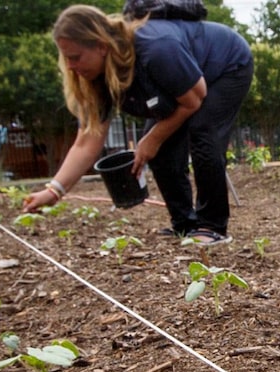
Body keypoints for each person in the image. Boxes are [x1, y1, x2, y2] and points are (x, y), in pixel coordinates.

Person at [22, 4, 253, 245]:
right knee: (160, 150)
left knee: (203, 133)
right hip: (179, 88)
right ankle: (185, 223)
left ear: (101, 45)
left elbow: (193, 99)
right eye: (66, 58)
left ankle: (211, 226)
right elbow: (86, 142)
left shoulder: (155, 48)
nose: (70, 66)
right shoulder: (97, 79)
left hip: (225, 65)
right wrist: (54, 191)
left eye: (75, 57)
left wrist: (152, 139)